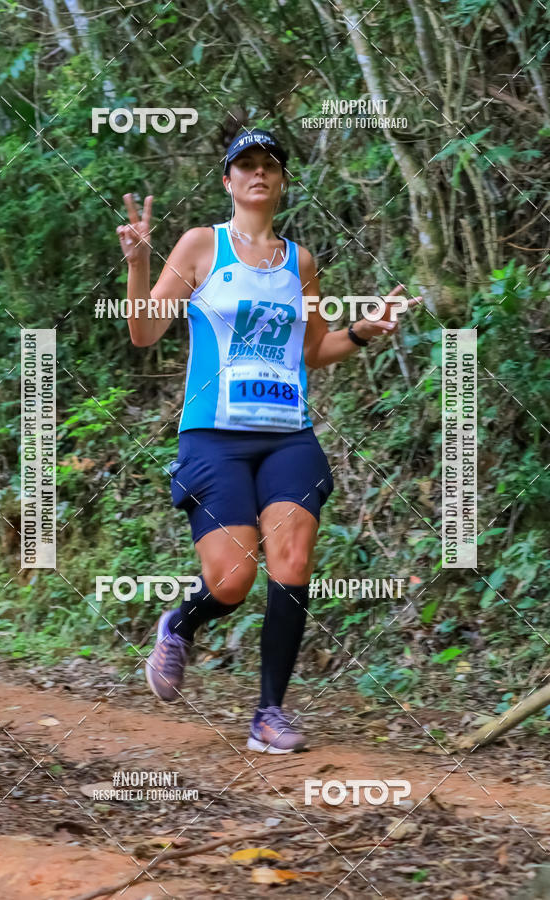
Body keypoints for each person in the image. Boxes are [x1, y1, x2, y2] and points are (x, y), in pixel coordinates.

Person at [117, 127, 419, 754]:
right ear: (228, 179)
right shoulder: (201, 245)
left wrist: (363, 332)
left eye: (270, 165)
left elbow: (315, 350)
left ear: (281, 181)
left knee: (292, 562)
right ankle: (179, 625)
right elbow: (144, 334)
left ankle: (268, 714)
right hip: (214, 437)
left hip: (288, 437)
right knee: (231, 580)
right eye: (246, 164)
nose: (259, 173)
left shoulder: (300, 262)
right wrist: (139, 262)